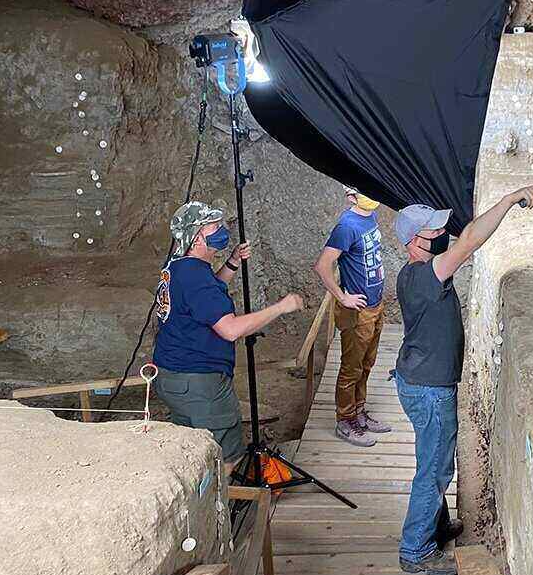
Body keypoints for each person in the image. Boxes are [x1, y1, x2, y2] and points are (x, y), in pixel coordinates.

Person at [392, 183, 533, 575]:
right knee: (434, 469)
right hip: (429, 389)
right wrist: (508, 201)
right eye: (432, 233)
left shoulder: (415, 274)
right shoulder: (424, 276)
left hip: (420, 380)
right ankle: (415, 550)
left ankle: (437, 524)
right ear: (415, 242)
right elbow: (469, 241)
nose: (440, 237)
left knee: (433, 459)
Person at [153, 201, 304, 470]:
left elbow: (206, 297)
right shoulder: (195, 276)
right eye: (214, 227)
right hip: (200, 382)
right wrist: (281, 307)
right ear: (197, 236)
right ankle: (223, 510)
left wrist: (232, 262)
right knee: (225, 457)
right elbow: (230, 329)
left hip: (173, 378)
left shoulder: (178, 266)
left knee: (191, 451)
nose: (222, 230)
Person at [314, 186, 391, 447]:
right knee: (351, 368)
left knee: (367, 363)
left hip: (375, 306)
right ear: (350, 196)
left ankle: (358, 411)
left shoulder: (368, 217)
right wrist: (342, 297)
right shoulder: (346, 226)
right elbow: (323, 265)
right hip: (357, 310)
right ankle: (345, 420)